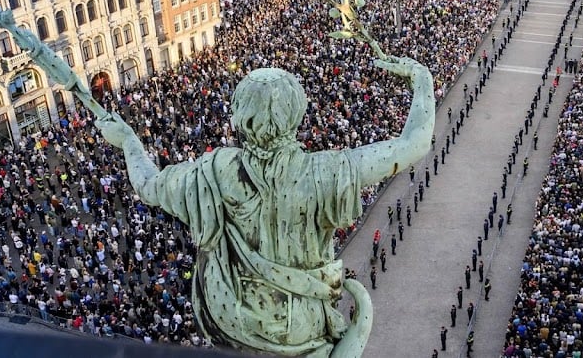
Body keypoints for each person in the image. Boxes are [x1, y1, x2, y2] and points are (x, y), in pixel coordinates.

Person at [97, 57, 436, 357]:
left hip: (233, 323)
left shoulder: (214, 171)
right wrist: (421, 78)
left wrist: (128, 140)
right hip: (301, 328)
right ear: (298, 112)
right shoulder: (327, 171)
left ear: (238, 116)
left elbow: (147, 186)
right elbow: (415, 142)